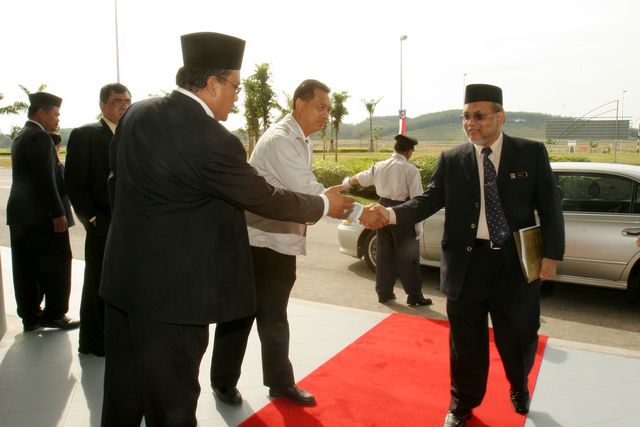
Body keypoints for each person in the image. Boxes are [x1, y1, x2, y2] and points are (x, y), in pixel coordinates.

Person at [99, 32, 354, 427]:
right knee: (172, 403)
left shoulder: (137, 113)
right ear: (212, 84)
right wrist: (323, 204)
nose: (237, 96)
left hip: (123, 281)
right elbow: (264, 198)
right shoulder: (212, 139)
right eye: (235, 86)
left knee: (123, 393)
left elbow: (116, 182)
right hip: (174, 298)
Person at [361, 84, 565, 427]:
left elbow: (550, 206)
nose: (471, 123)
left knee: (518, 335)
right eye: (466, 116)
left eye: (479, 115)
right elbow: (429, 200)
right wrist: (391, 213)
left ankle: (518, 384)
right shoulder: (452, 159)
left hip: (514, 262)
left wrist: (552, 253)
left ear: (500, 117)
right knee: (465, 342)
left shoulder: (530, 153)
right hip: (466, 264)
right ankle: (461, 404)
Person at [211, 79, 356, 407]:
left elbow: (307, 191)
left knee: (274, 315)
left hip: (279, 243)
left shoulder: (301, 139)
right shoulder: (280, 139)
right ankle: (223, 381)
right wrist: (360, 211)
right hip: (256, 242)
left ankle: (280, 383)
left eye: (328, 109)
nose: (326, 115)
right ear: (299, 104)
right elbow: (308, 190)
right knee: (239, 315)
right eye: (320, 107)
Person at [64, 83, 131, 357]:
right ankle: (92, 341)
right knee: (96, 283)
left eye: (127, 101)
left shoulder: (132, 133)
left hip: (128, 224)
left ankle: (115, 336)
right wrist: (91, 219)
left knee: (121, 282)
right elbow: (74, 183)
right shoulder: (86, 134)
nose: (123, 106)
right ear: (102, 105)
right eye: (117, 101)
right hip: (101, 223)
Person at [6, 92, 78, 332]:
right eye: (55, 114)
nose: (58, 120)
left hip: (22, 216)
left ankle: (30, 315)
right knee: (57, 264)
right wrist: (57, 213)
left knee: (26, 269)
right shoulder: (40, 137)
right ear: (41, 113)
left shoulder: (21, 136)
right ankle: (55, 313)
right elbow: (46, 180)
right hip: (42, 216)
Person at [344, 134, 431, 307]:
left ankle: (384, 293)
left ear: (395, 149)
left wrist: (346, 183)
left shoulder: (379, 166)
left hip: (381, 209)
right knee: (408, 257)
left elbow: (360, 178)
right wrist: (418, 226)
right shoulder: (410, 170)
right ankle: (414, 296)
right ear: (409, 152)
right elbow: (417, 200)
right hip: (402, 212)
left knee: (384, 254)